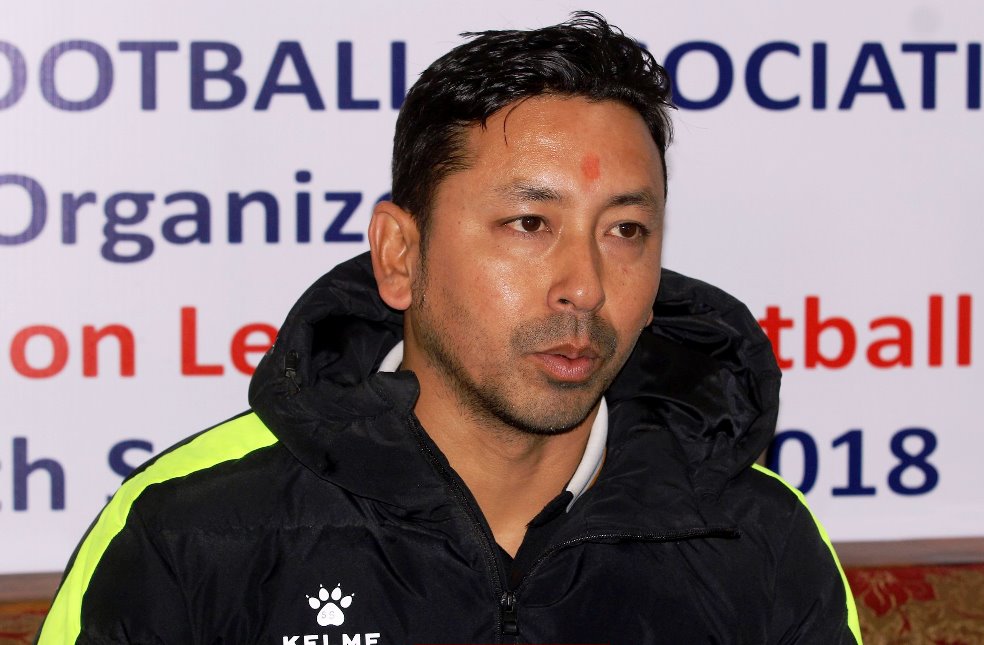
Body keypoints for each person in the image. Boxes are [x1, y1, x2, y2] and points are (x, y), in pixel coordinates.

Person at [39, 12, 861, 644]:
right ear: (400, 255)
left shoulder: (761, 540)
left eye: (626, 231)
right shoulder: (190, 527)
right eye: (529, 223)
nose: (584, 285)